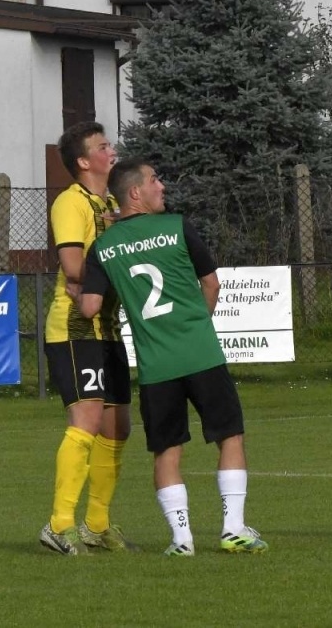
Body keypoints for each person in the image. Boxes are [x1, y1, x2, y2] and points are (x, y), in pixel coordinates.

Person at [78, 159, 268, 556]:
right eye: (154, 180)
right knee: (229, 436)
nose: (162, 186)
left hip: (156, 365)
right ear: (135, 192)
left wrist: (81, 285)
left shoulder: (104, 247)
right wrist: (196, 325)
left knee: (167, 451)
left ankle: (181, 540)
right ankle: (233, 529)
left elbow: (90, 307)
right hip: (201, 353)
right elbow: (211, 284)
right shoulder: (178, 226)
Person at [40, 121, 134, 556]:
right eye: (103, 146)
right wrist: (122, 265)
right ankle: (59, 524)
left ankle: (96, 524)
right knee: (86, 421)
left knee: (117, 426)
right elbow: (74, 267)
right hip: (75, 326)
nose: (111, 151)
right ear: (83, 161)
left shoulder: (112, 202)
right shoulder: (70, 202)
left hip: (107, 326)